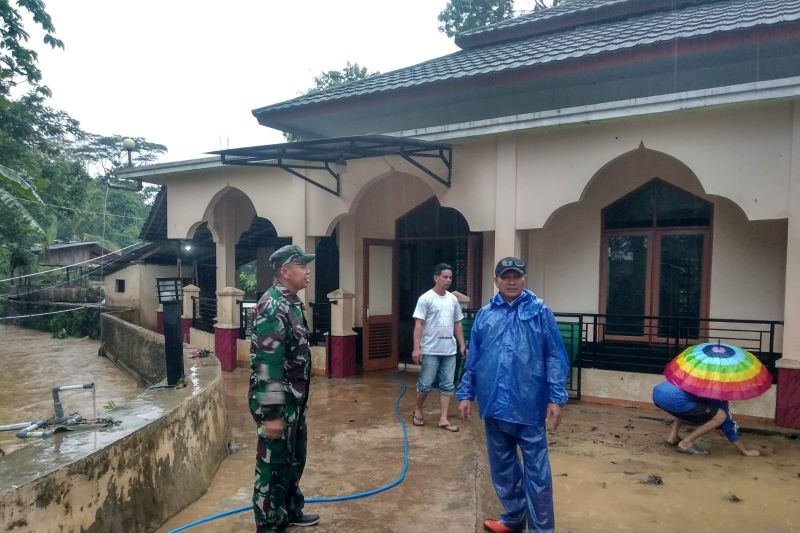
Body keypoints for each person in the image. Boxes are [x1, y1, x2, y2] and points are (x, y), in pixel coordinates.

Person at [457, 257, 569, 533]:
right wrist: (465, 392)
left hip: (528, 406)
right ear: (496, 281)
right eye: (505, 276)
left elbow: (555, 356)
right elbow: (475, 357)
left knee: (537, 473)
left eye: (516, 276)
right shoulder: (485, 314)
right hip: (493, 404)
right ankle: (515, 516)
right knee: (503, 468)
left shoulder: (540, 312)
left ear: (524, 278)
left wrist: (556, 397)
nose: (511, 281)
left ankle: (542, 529)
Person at [249, 244, 320, 533]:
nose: (308, 270)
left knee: (293, 458)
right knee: (273, 464)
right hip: (279, 402)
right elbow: (266, 363)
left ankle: (289, 510)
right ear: (284, 271)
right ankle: (268, 523)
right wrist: (272, 413)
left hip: (295, 399)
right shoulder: (273, 306)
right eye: (302, 265)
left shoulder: (291, 303)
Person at [411, 262, 466, 432]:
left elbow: (458, 323)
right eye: (445, 277)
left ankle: (443, 419)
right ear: (436, 278)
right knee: (426, 384)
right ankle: (418, 409)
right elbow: (419, 324)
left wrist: (462, 345)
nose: (448, 280)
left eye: (450, 277)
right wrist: (416, 348)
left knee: (448, 385)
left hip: (449, 350)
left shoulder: (453, 299)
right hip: (431, 349)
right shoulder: (425, 298)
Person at [652, 380, 760, 456]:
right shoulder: (718, 390)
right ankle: (686, 443)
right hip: (675, 400)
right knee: (720, 416)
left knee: (687, 405)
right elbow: (727, 423)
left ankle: (673, 437)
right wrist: (744, 451)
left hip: (658, 393)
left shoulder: (699, 375)